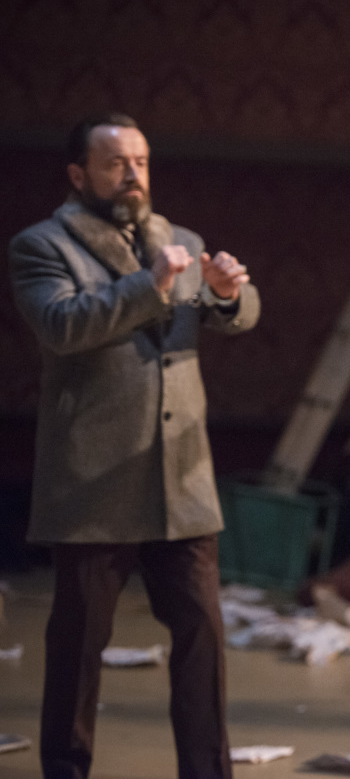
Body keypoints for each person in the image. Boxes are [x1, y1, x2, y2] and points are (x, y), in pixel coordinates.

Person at [8, 112, 261, 779]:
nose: (132, 175)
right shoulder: (42, 244)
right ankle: (66, 769)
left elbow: (237, 313)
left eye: (141, 162)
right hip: (96, 480)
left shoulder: (180, 239)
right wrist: (149, 285)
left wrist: (229, 295)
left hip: (181, 476)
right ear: (78, 174)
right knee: (79, 644)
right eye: (116, 163)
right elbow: (62, 324)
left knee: (202, 635)